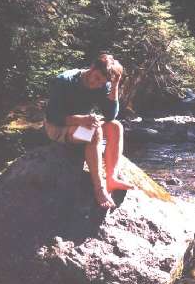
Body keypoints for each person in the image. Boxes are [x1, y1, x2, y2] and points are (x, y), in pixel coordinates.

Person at [45, 54, 133, 209]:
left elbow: (110, 115)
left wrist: (115, 85)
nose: (97, 84)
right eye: (97, 78)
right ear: (92, 68)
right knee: (96, 132)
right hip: (58, 128)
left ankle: (111, 178)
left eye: (103, 82)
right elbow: (52, 117)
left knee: (116, 126)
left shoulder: (103, 85)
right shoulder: (65, 81)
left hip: (83, 126)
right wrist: (81, 120)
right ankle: (99, 189)